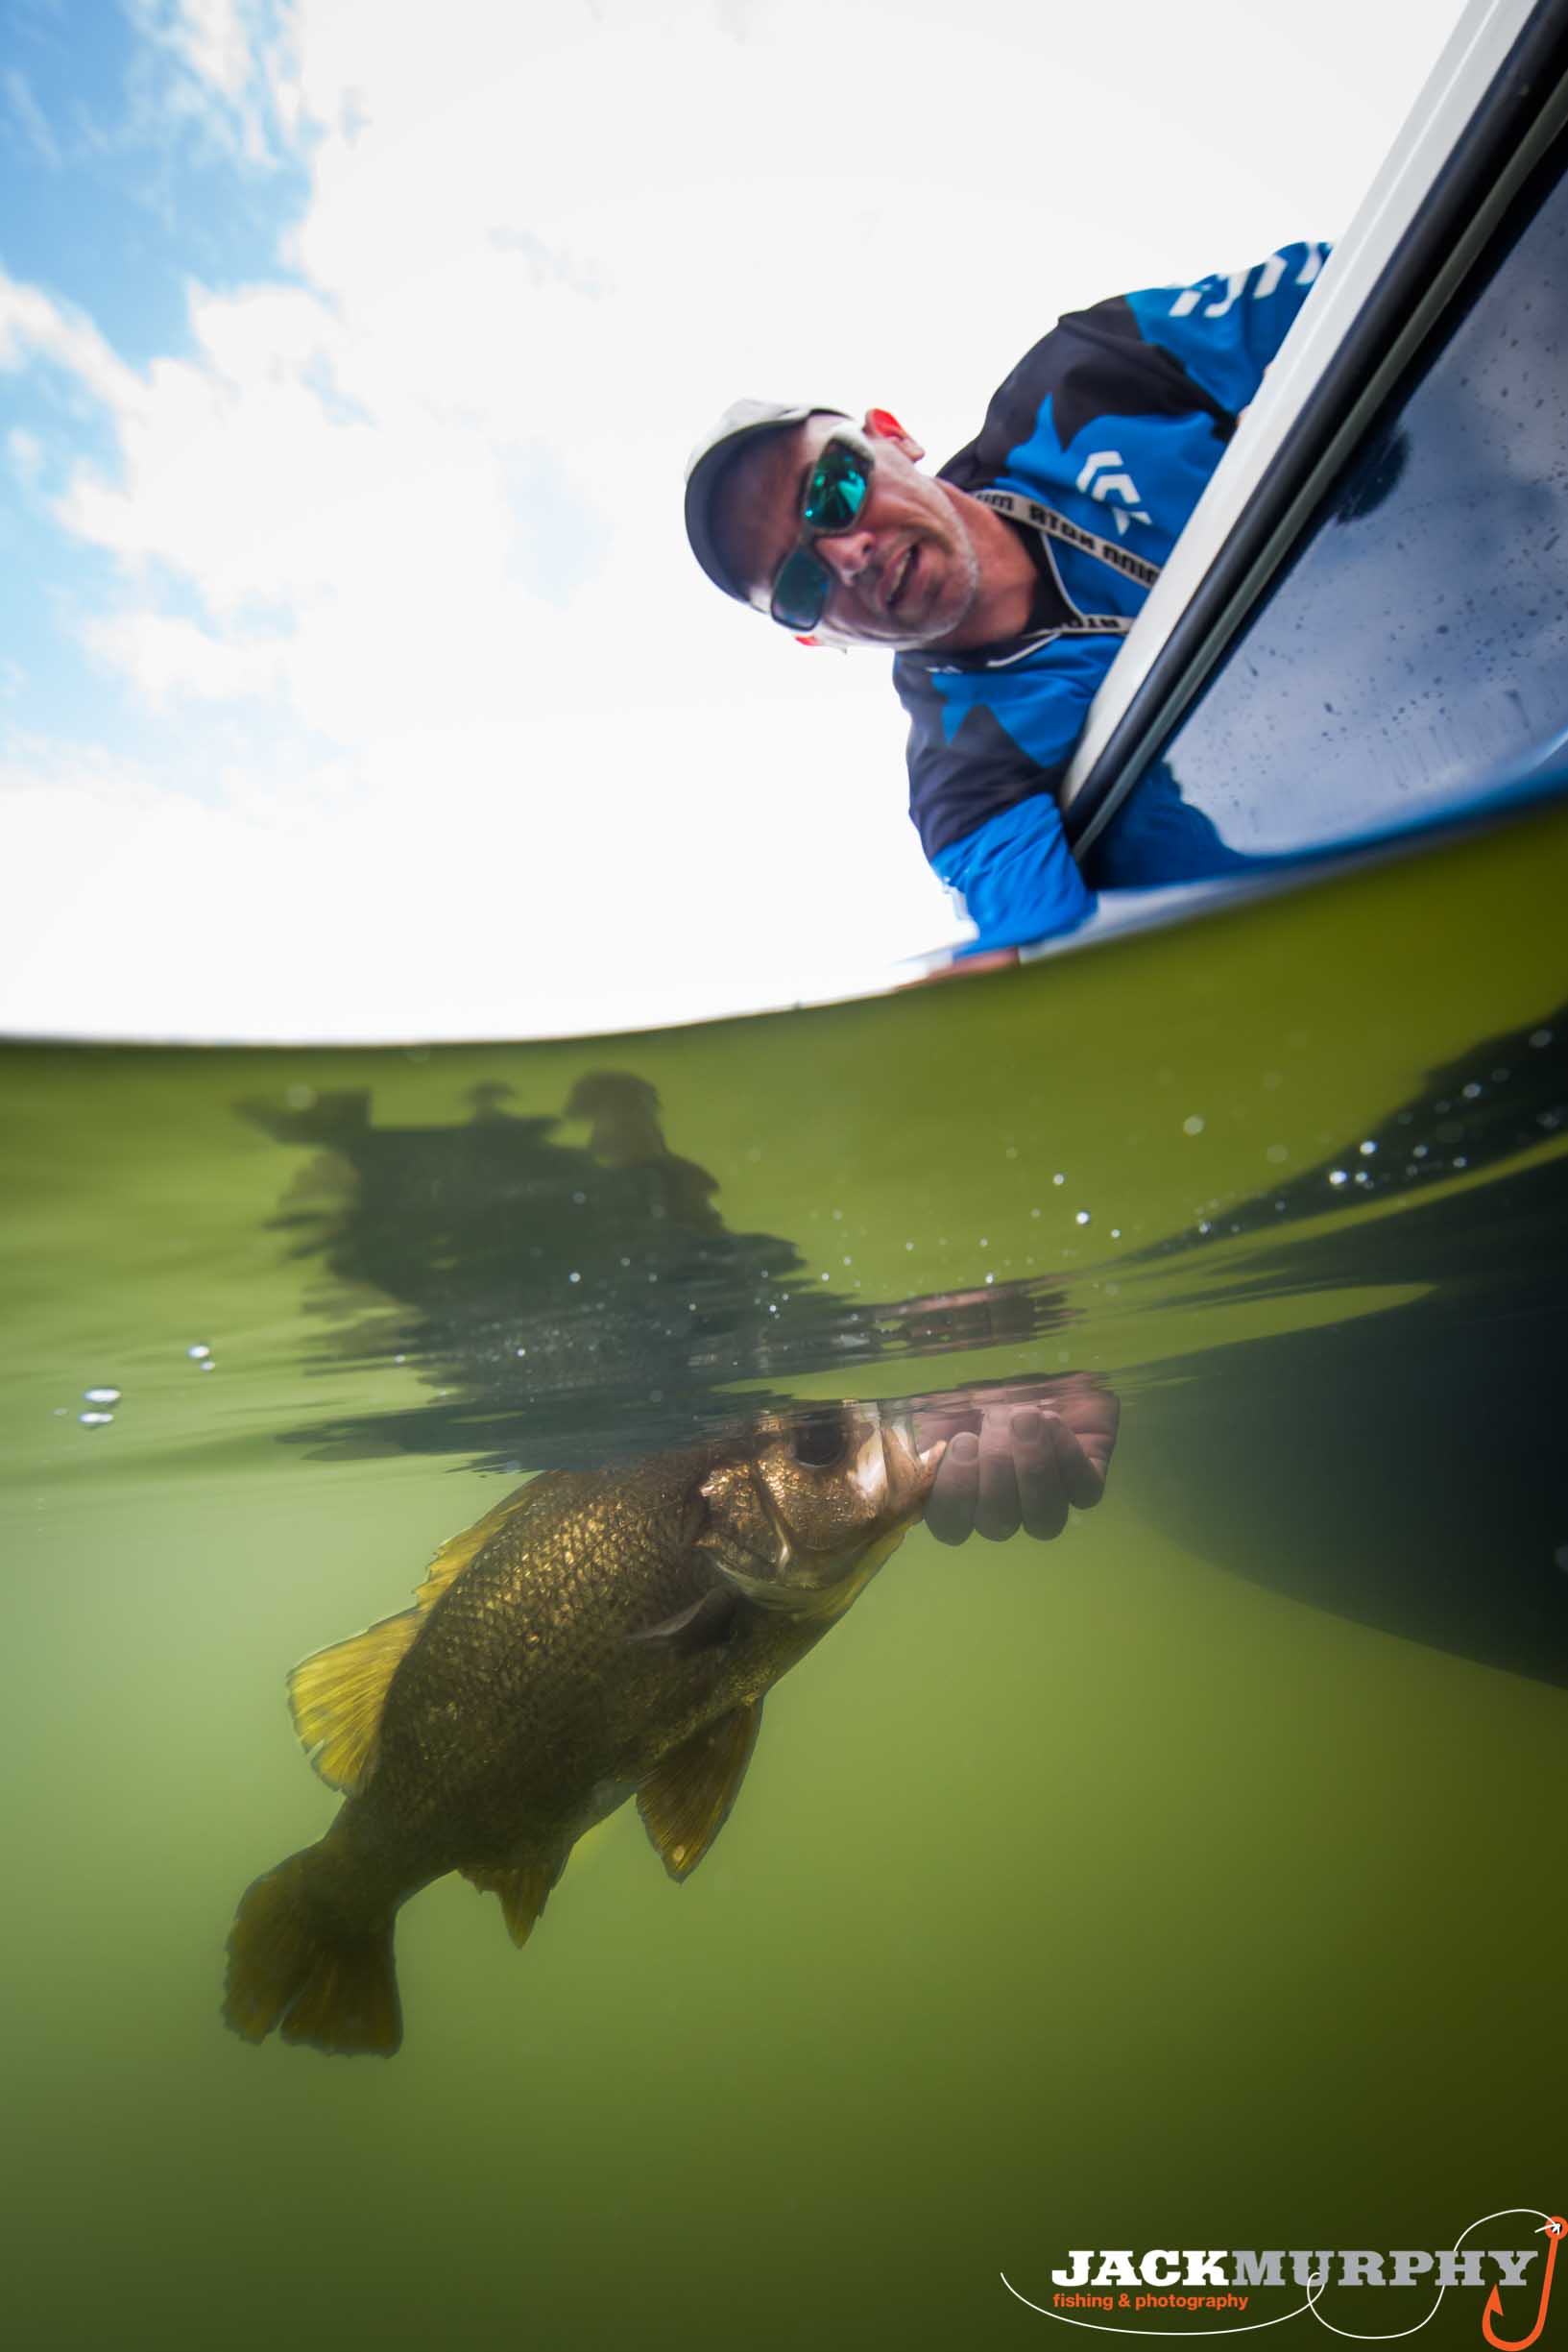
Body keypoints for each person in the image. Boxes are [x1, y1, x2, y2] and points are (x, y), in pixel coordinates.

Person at [684, 242, 1329, 952]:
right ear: (818, 637)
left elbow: (1374, 268)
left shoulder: (1089, 375)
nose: (846, 555)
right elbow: (1054, 961)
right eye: (799, 584)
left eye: (832, 491)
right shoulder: (965, 782)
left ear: (893, 436)